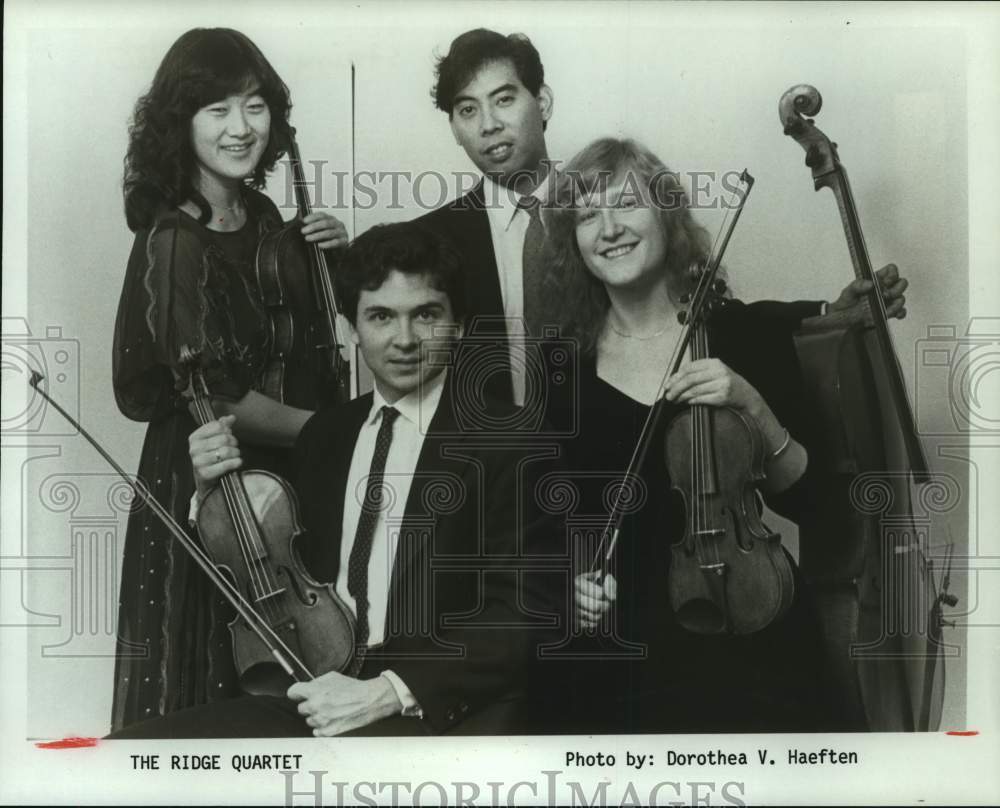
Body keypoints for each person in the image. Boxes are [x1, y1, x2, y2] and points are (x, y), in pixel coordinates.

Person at [107, 222, 563, 738]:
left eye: (427, 315)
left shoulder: (512, 438)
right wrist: (209, 491)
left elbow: (529, 611)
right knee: (121, 757)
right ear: (351, 329)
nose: (405, 339)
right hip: (316, 693)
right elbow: (272, 564)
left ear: (457, 326)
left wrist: (387, 690)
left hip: (434, 710)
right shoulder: (326, 434)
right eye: (381, 316)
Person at [416, 28, 908, 408]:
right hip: (485, 493)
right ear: (455, 128)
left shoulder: (606, 205)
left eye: (504, 99)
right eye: (467, 110)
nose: (489, 124)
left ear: (540, 102)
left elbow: (696, 316)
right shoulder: (427, 243)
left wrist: (823, 315)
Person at [536, 137, 835, 733]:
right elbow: (548, 515)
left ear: (667, 214)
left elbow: (820, 506)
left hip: (747, 624)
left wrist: (753, 404)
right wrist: (571, 583)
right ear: (573, 243)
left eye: (626, 204)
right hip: (622, 647)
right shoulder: (560, 368)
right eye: (587, 215)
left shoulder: (749, 335)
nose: (609, 228)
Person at [110, 28, 347, 732]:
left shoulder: (264, 214)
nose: (241, 128)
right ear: (179, 124)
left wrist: (338, 255)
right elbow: (209, 394)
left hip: (282, 482)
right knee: (226, 683)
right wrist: (332, 432)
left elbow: (301, 344)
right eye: (216, 110)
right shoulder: (176, 239)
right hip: (214, 483)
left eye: (254, 106)